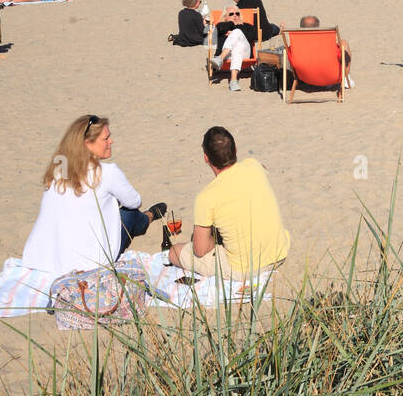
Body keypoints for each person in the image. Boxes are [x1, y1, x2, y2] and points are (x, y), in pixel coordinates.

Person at [21, 115, 166, 277]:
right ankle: (148, 218)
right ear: (88, 144)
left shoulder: (58, 171)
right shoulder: (107, 172)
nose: (111, 141)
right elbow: (134, 201)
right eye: (106, 138)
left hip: (44, 257)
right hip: (90, 263)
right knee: (128, 212)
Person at [168, 126, 290, 279]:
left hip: (245, 269)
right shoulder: (253, 165)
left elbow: (200, 250)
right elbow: (262, 169)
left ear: (206, 158)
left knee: (175, 252)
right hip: (279, 253)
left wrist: (212, 239)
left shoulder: (206, 197)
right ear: (235, 149)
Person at [298, 15, 354, 85]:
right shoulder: (325, 42)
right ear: (318, 27)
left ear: (301, 27)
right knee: (343, 43)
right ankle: (346, 79)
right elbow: (345, 57)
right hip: (329, 79)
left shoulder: (296, 43)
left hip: (304, 79)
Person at [210, 3, 254, 91]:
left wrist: (236, 29)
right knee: (238, 46)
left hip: (245, 54)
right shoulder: (221, 25)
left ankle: (219, 59)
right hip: (229, 55)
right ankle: (234, 81)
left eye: (237, 14)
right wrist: (232, 24)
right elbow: (217, 30)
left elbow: (253, 36)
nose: (235, 16)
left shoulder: (246, 26)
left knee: (237, 32)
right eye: (231, 14)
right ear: (225, 16)